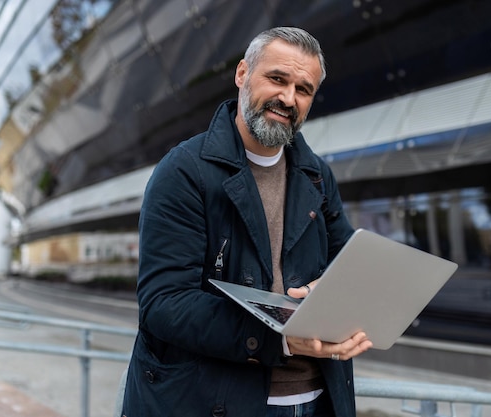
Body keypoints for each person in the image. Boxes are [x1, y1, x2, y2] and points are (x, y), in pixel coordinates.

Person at [121, 26, 372, 417]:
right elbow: (164, 304)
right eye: (277, 79)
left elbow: (347, 264)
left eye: (303, 89)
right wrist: (283, 339)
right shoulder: (184, 171)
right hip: (214, 403)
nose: (288, 98)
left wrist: (336, 290)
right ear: (242, 74)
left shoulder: (316, 175)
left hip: (320, 401)